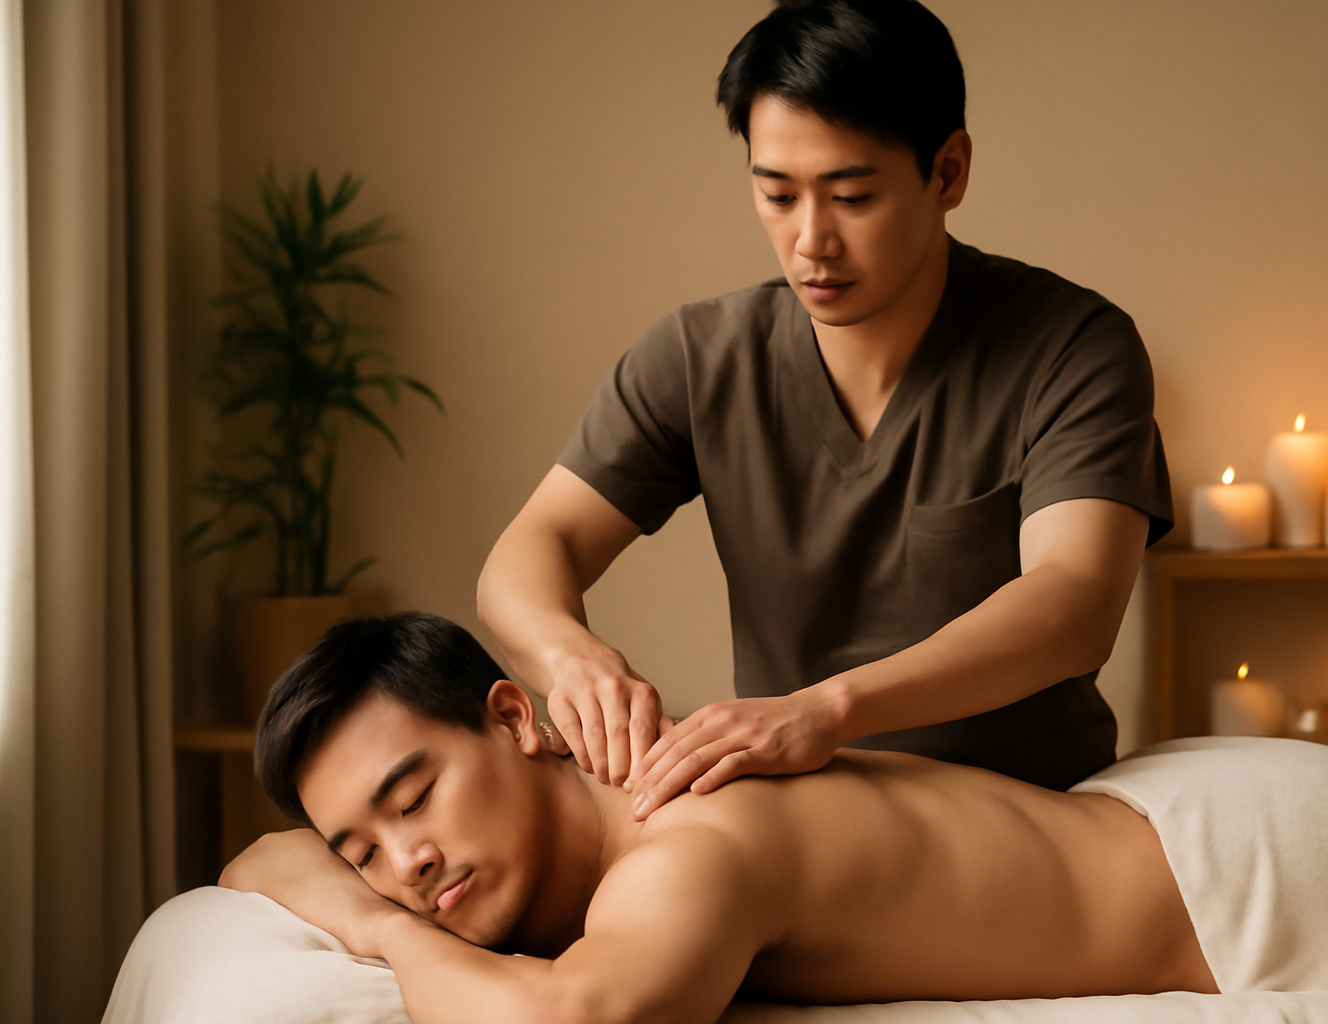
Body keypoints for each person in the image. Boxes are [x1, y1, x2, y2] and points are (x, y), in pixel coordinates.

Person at [476, 0, 1173, 822]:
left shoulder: (1073, 346)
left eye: (851, 196)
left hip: (1026, 825)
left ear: (947, 172)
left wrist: (829, 710)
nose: (811, 240)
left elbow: (1074, 604)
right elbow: (527, 552)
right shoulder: (702, 357)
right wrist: (575, 661)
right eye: (777, 195)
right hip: (802, 830)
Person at [225, 613, 1328, 1024]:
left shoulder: (691, 838)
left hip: (1260, 878)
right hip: (1179, 827)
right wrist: (336, 875)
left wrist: (373, 929)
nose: (408, 865)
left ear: (516, 722)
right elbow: (256, 852)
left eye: (413, 800)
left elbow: (576, 1023)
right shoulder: (615, 825)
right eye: (363, 849)